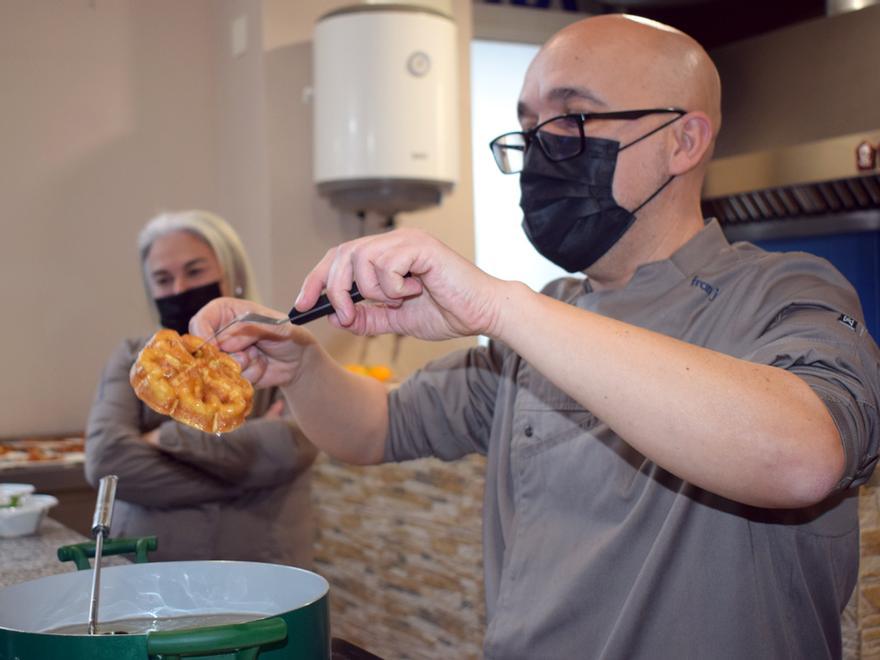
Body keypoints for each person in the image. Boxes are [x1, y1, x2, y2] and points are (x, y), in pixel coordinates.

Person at [192, 15, 880, 659]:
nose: (541, 146)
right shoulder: (551, 316)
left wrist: (502, 307)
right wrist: (299, 363)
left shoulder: (787, 293)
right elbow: (376, 428)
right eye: (529, 123)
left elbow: (804, 456)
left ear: (684, 140)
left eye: (572, 116)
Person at [85, 210, 316, 566]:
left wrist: (164, 439)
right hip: (150, 573)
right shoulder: (135, 358)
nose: (179, 289)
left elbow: (291, 447)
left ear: (232, 273)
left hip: (259, 572)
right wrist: (244, 476)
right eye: (162, 279)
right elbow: (107, 464)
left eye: (195, 271)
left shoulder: (277, 349)